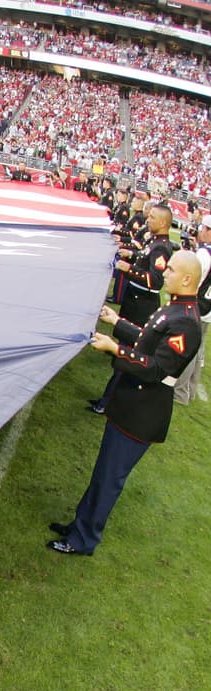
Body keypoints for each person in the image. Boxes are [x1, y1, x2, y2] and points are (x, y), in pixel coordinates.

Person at [48, 251, 204, 555]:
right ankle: (80, 525)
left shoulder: (186, 322)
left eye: (171, 270)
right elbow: (148, 338)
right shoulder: (176, 309)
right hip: (132, 405)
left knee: (108, 479)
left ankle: (84, 540)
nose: (165, 273)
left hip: (142, 413)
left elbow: (157, 368)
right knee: (102, 473)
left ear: (187, 279)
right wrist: (117, 321)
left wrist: (116, 349)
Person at [90, 203, 174, 414]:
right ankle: (108, 398)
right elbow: (143, 258)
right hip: (134, 299)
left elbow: (155, 281)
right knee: (122, 346)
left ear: (163, 222)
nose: (148, 220)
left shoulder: (162, 247)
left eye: (152, 217)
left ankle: (107, 402)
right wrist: (130, 254)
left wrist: (128, 269)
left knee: (128, 353)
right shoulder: (154, 241)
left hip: (141, 304)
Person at [172, 216, 211, 404]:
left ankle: (180, 392)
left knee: (189, 348)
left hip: (198, 305)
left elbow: (193, 278)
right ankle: (190, 390)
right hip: (207, 308)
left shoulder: (205, 254)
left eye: (204, 228)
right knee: (198, 349)